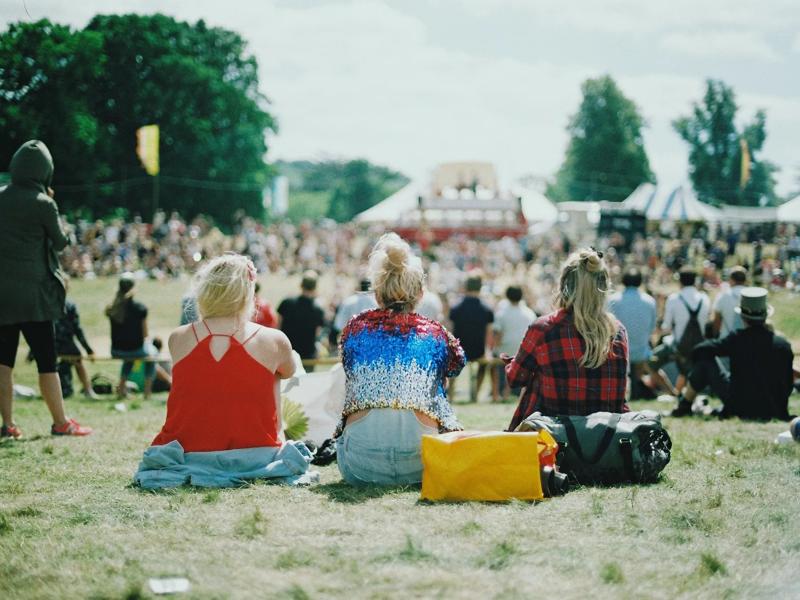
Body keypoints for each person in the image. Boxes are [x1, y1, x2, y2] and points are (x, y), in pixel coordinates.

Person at [135, 254, 311, 488]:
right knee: (278, 369)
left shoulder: (178, 338)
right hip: (258, 453)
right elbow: (289, 371)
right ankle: (274, 437)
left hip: (189, 452)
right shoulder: (273, 339)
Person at [337, 233, 465, 486]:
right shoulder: (436, 334)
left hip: (359, 464)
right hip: (422, 463)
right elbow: (455, 366)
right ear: (420, 294)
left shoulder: (355, 328)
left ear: (376, 293)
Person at [0, 140, 92, 438]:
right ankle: (60, 421)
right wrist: (50, 202)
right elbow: (61, 242)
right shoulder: (44, 203)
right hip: (36, 296)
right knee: (46, 360)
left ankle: (8, 424)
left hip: (3, 294)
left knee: (3, 362)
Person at [506, 248, 629, 430]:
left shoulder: (544, 329)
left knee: (537, 378)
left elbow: (514, 379)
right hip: (606, 438)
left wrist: (513, 362)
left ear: (563, 285)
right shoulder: (617, 330)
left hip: (556, 436)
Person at [669, 287, 794, 420]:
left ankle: (684, 405)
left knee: (705, 363)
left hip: (741, 406)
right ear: (766, 315)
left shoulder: (737, 339)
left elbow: (700, 350)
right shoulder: (783, 345)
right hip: (775, 408)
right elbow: (788, 385)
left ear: (742, 316)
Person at [607, 268, 666, 399]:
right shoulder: (650, 301)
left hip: (617, 352)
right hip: (641, 352)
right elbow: (651, 328)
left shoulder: (612, 300)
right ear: (640, 282)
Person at [650, 266, 710, 392]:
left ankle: (671, 392)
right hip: (699, 346)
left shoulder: (674, 298)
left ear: (680, 281)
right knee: (685, 370)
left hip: (678, 347)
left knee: (651, 363)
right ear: (695, 281)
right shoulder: (705, 298)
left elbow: (666, 327)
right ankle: (681, 394)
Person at [106, 273, 155, 398]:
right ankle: (147, 392)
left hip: (116, 350)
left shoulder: (112, 308)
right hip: (135, 350)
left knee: (129, 355)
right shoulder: (140, 308)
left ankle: (122, 389)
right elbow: (145, 335)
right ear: (133, 288)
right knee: (152, 354)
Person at [449, 273, 495, 402]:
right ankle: (476, 394)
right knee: (484, 365)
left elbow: (451, 332)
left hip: (459, 351)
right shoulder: (487, 309)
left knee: (452, 364)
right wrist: (487, 352)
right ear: (480, 288)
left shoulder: (456, 308)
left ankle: (451, 394)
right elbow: (489, 333)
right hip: (478, 351)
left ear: (466, 287)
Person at [54, 277, 98, 399]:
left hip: (51, 344)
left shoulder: (48, 303)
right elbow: (77, 330)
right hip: (64, 344)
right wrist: (88, 349)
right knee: (78, 360)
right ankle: (88, 390)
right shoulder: (69, 305)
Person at [492, 285, 536, 401]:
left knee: (495, 363)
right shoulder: (530, 313)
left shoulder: (501, 313)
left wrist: (494, 348)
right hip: (523, 351)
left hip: (505, 350)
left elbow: (498, 335)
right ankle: (507, 392)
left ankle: (496, 394)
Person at [278, 271, 325, 369]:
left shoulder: (286, 303)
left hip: (287, 354)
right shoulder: (318, 310)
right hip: (307, 357)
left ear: (301, 285)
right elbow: (317, 333)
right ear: (315, 287)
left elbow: (278, 326)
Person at [332, 278, 378, 343]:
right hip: (372, 342)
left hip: (351, 342)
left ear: (359, 287)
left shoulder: (348, 302)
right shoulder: (376, 303)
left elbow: (338, 325)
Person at [710, 266, 747, 338]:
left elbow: (717, 320)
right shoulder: (751, 295)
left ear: (731, 280)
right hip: (747, 341)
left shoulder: (723, 295)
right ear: (745, 280)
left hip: (726, 339)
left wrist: (715, 336)